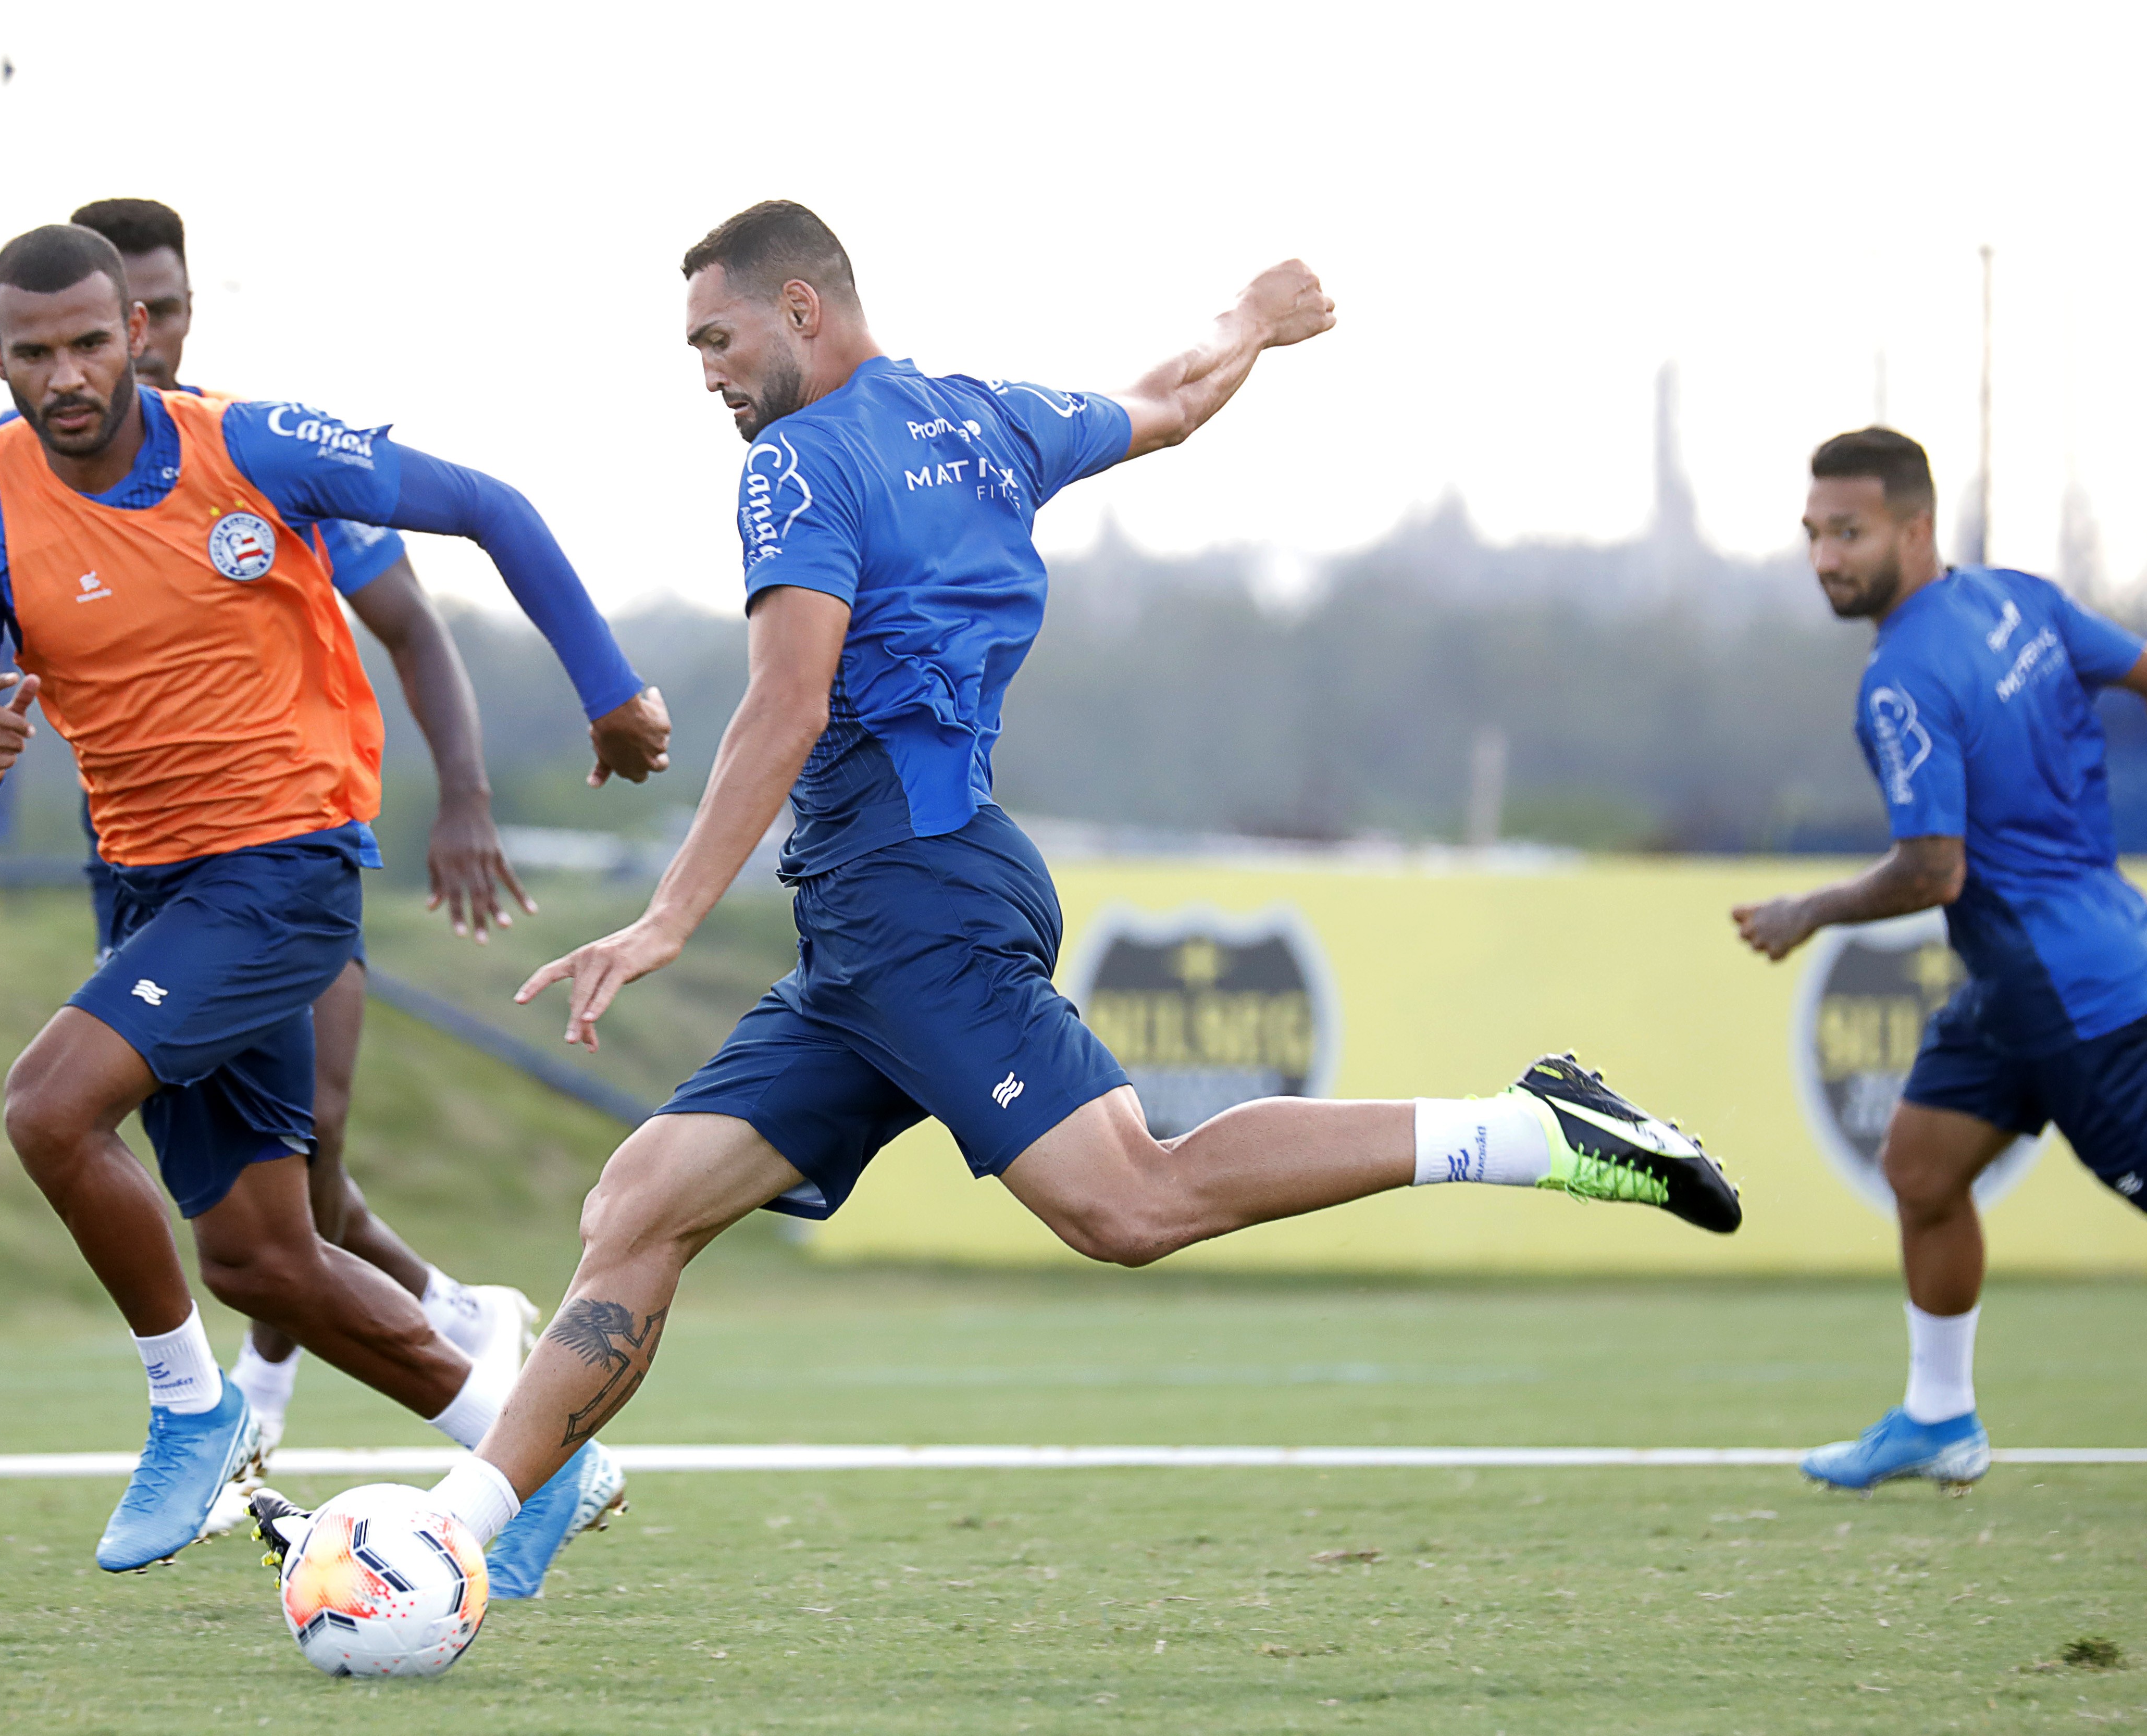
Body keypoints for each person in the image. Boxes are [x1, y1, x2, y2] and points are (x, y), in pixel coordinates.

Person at [357, 201, 1738, 1576]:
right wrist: (1250, 318)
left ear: (804, 311)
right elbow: (1170, 403)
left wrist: (668, 915)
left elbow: (787, 701)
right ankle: (458, 1533)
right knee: (640, 1201)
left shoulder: (798, 460)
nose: (705, 369)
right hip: (887, 918)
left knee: (1131, 1200)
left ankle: (1532, 1127)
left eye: (716, 337)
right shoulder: (985, 417)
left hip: (916, 901)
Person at [0, 223, 671, 1579]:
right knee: (267, 1256)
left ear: (138, 335)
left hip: (283, 870)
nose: (70, 372)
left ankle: (189, 1407)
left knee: (49, 1104)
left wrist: (609, 689)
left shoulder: (259, 446)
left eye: (95, 340)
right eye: (36, 352)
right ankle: (543, 1463)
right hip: (145, 885)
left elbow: (492, 506)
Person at [1733, 428, 2147, 1492]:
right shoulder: (2020, 598)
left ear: (1915, 528)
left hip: (2075, 992)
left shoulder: (1901, 680)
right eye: (1814, 533)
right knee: (1920, 1166)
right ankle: (1938, 1416)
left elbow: (1932, 872)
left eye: (1850, 533)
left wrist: (1806, 910)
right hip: (2019, 982)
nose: (1826, 557)